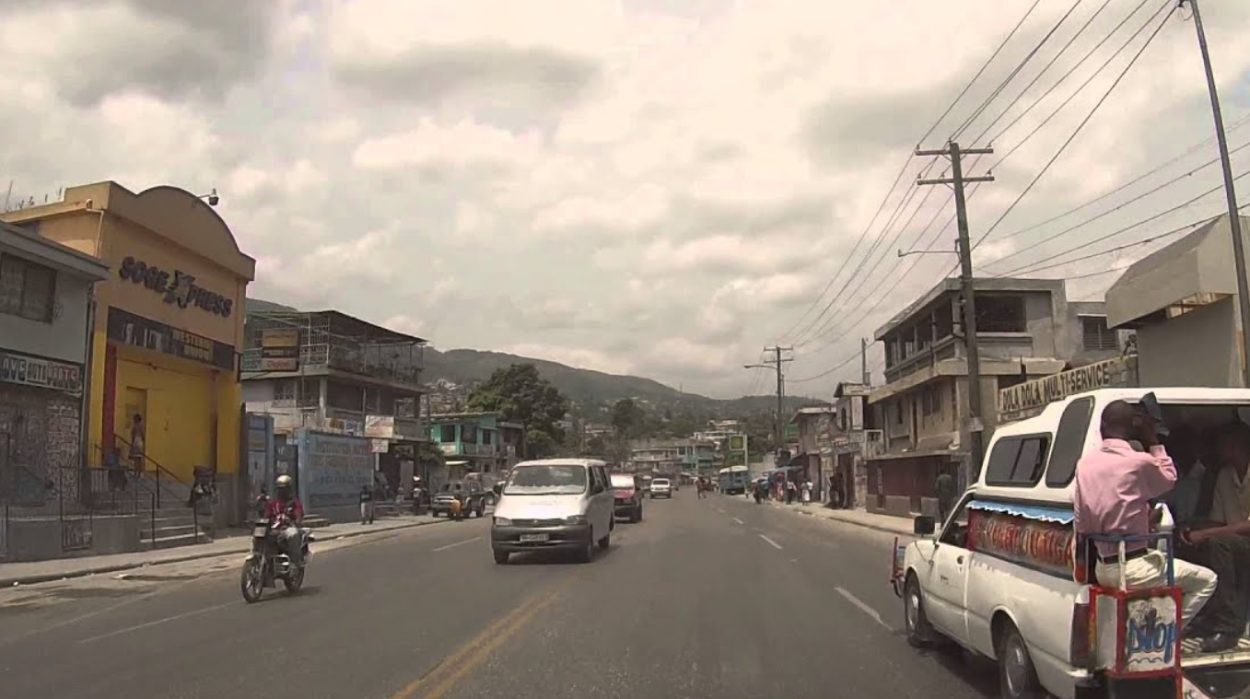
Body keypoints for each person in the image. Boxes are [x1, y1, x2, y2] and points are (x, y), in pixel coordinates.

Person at [1074, 400, 1216, 632]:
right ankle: (1166, 634)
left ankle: (1150, 632)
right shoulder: (1138, 462)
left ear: (1102, 427)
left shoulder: (1085, 464)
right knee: (1207, 580)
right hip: (1135, 568)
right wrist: (1152, 439)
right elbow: (1169, 479)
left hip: (1103, 567)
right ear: (1132, 428)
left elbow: (1082, 522)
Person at [1177, 421, 1250, 651]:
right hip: (1235, 540)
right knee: (1190, 542)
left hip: (1239, 539)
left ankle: (1228, 628)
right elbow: (1218, 520)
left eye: (1222, 442)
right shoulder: (1225, 475)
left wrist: (1205, 533)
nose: (1217, 448)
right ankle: (1202, 619)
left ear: (1236, 445)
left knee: (1219, 543)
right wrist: (1190, 531)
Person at [264, 475, 305, 568]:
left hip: (287, 528)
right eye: (279, 489)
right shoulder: (272, 504)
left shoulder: (294, 503)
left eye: (283, 489)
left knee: (293, 534)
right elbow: (266, 516)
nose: (281, 491)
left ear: (289, 489)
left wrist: (296, 520)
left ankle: (296, 561)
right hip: (274, 530)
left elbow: (298, 514)